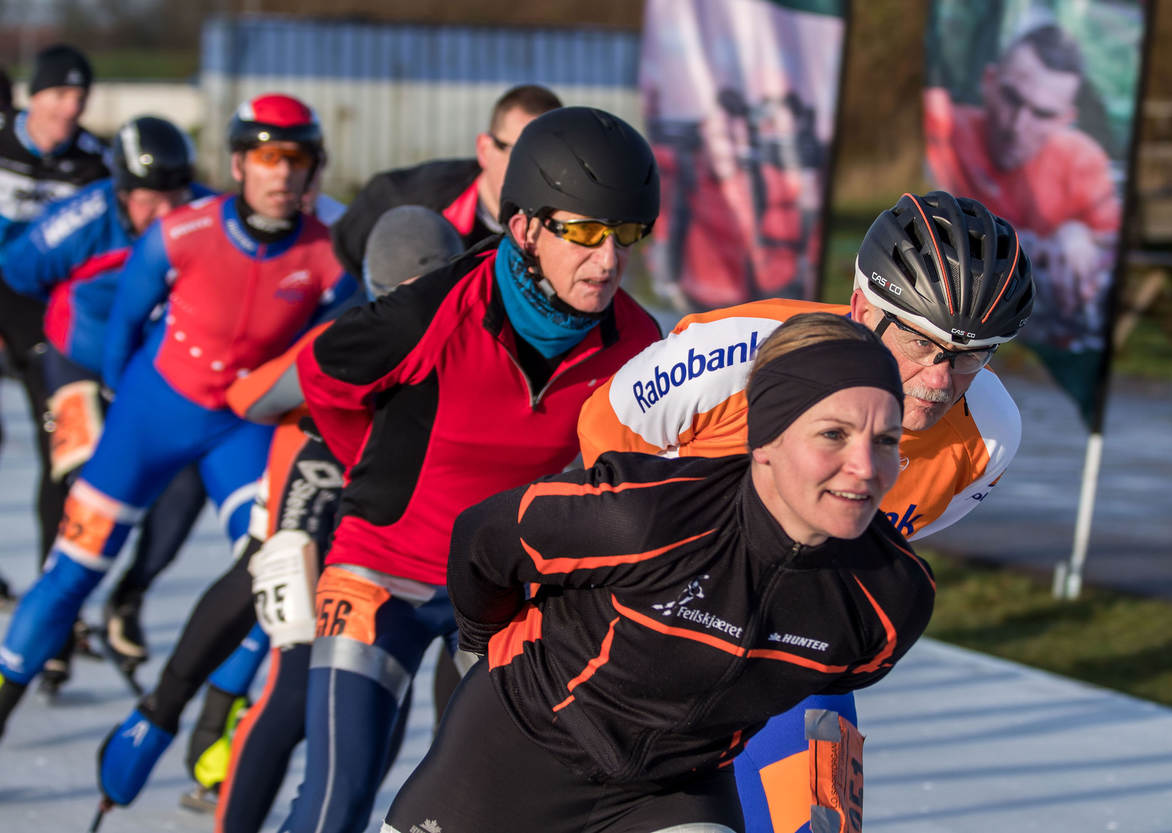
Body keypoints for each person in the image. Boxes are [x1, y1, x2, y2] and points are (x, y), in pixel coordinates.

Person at [577, 190, 1035, 832]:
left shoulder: (989, 435)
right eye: (918, 341)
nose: (938, 379)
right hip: (645, 634)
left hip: (789, 656)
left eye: (971, 355)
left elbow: (894, 540)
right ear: (862, 310)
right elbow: (603, 446)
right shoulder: (735, 357)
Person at [382, 312, 935, 832]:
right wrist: (483, 644)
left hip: (673, 789)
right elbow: (484, 538)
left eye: (885, 440)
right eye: (834, 435)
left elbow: (838, 677)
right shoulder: (646, 516)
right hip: (515, 751)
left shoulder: (892, 599)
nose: (865, 467)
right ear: (768, 436)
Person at [281, 105, 662, 833]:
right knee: (336, 800)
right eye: (584, 232)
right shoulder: (430, 311)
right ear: (524, 227)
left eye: (626, 233)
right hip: (381, 568)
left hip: (501, 595)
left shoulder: (638, 343)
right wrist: (372, 466)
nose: (608, 260)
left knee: (479, 811)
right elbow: (322, 376)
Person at [92, 206, 465, 827]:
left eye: (435, 295)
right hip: (322, 481)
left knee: (385, 709)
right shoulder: (355, 336)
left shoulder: (472, 337)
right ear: (381, 294)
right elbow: (249, 395)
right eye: (406, 298)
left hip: (402, 527)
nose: (420, 316)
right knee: (293, 669)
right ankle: (166, 713)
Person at [0, 92, 356, 742]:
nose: (281, 173)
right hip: (152, 412)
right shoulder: (180, 230)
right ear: (238, 164)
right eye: (267, 157)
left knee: (278, 565)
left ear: (314, 166)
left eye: (296, 158)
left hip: (241, 427)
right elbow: (124, 329)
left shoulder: (331, 249)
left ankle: (215, 721)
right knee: (74, 568)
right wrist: (112, 398)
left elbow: (328, 348)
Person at [1, 116, 213, 690]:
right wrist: (36, 339)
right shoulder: (86, 216)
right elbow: (16, 269)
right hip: (79, 360)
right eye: (148, 199)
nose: (164, 211)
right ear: (122, 192)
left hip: (156, 372)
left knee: (185, 483)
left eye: (175, 196)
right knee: (77, 478)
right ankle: (57, 616)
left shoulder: (206, 214)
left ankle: (130, 594)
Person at [0, 44, 109, 629]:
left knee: (65, 451)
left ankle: (55, 594)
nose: (71, 108)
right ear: (34, 96)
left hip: (47, 315)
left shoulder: (94, 161)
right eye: (60, 94)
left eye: (80, 97)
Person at [924, 22, 1116, 348]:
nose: (1018, 126)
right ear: (988, 82)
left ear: (1065, 119)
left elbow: (1111, 251)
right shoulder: (946, 127)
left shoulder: (1083, 162)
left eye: (1043, 114)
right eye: (1011, 98)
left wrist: (1081, 236)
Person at [329, 83, 562, 279]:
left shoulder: (568, 220)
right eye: (521, 154)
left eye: (553, 158)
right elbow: (345, 257)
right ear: (485, 149)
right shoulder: (410, 201)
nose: (538, 171)